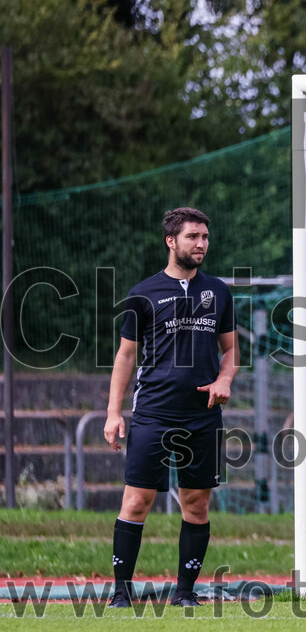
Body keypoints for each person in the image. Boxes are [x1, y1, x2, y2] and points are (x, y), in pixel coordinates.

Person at [104, 207, 239, 608]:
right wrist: (113, 412)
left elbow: (231, 351)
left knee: (196, 502)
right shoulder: (143, 293)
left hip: (202, 416)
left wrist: (225, 379)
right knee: (136, 500)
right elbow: (126, 357)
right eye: (192, 237)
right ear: (171, 241)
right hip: (153, 413)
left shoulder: (218, 292)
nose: (201, 244)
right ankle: (120, 593)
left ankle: (184, 593)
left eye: (205, 237)